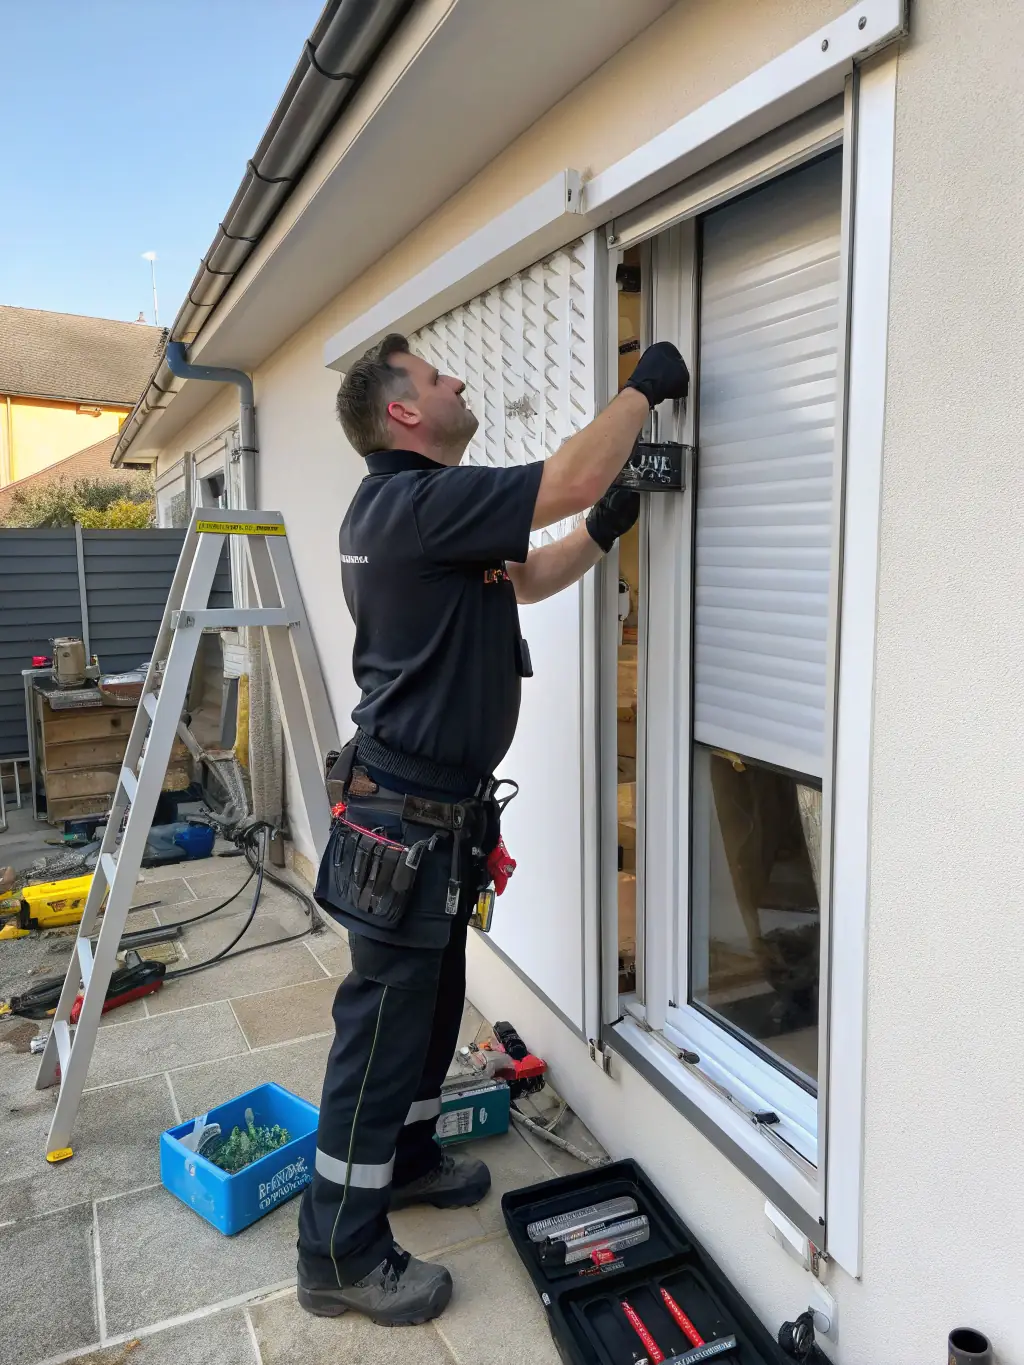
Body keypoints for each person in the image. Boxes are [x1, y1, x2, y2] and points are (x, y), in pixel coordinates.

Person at [296, 332, 689, 1326]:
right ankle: (336, 1251)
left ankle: (408, 1157)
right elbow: (569, 474)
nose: (458, 377)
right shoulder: (416, 502)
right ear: (402, 412)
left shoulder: (415, 518)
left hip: (431, 815)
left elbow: (529, 576)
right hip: (406, 816)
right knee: (380, 1030)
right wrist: (642, 388)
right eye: (436, 376)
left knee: (431, 1007)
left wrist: (605, 526)